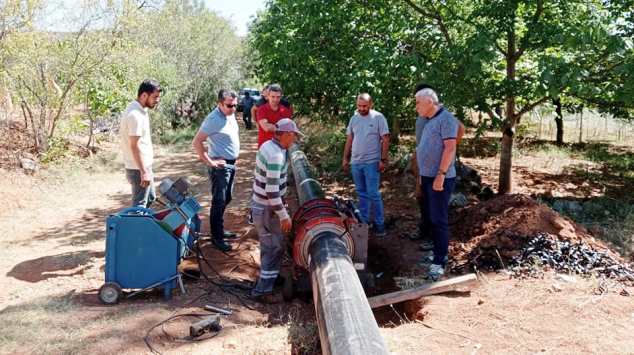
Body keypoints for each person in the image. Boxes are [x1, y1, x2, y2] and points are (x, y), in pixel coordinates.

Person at [250, 118, 301, 302]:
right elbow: (271, 192)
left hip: (260, 205)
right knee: (273, 247)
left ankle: (269, 278)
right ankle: (263, 292)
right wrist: (284, 215)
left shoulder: (267, 146)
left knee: (269, 245)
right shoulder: (276, 156)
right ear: (286, 134)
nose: (294, 140)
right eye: (294, 136)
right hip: (267, 209)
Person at [415, 88, 461, 280]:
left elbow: (450, 148)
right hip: (428, 177)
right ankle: (436, 254)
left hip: (440, 178)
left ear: (430, 102)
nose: (416, 107)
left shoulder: (446, 119)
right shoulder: (430, 120)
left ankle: (440, 261)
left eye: (418, 103)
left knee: (439, 219)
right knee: (432, 217)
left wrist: (440, 175)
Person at [192, 89, 240, 252]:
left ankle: (219, 230)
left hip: (231, 164)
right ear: (219, 103)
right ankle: (217, 237)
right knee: (218, 201)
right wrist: (210, 162)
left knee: (227, 198)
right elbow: (197, 142)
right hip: (220, 167)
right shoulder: (213, 119)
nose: (233, 108)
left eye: (235, 105)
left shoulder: (229, 113)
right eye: (229, 105)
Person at [342, 93, 390, 237]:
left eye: (365, 106)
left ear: (371, 104)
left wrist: (383, 159)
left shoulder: (378, 118)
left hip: (371, 162)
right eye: (359, 106)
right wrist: (345, 157)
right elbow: (349, 139)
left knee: (373, 194)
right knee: (361, 193)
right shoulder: (354, 118)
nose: (362, 108)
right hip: (356, 162)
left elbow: (386, 139)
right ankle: (364, 222)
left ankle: (380, 225)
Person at [119, 79, 162, 208]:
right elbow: (134, 145)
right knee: (139, 207)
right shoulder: (135, 115)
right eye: (155, 97)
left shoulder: (141, 110)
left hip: (144, 166)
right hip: (138, 168)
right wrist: (143, 172)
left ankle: (144, 227)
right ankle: (134, 228)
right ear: (144, 95)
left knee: (150, 198)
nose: (157, 100)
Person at [256, 84, 294, 148]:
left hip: (281, 148)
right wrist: (282, 128)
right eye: (273, 96)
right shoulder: (262, 109)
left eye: (278, 97)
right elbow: (266, 127)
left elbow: (290, 129)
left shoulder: (285, 110)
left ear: (281, 96)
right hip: (265, 148)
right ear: (268, 96)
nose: (275, 99)